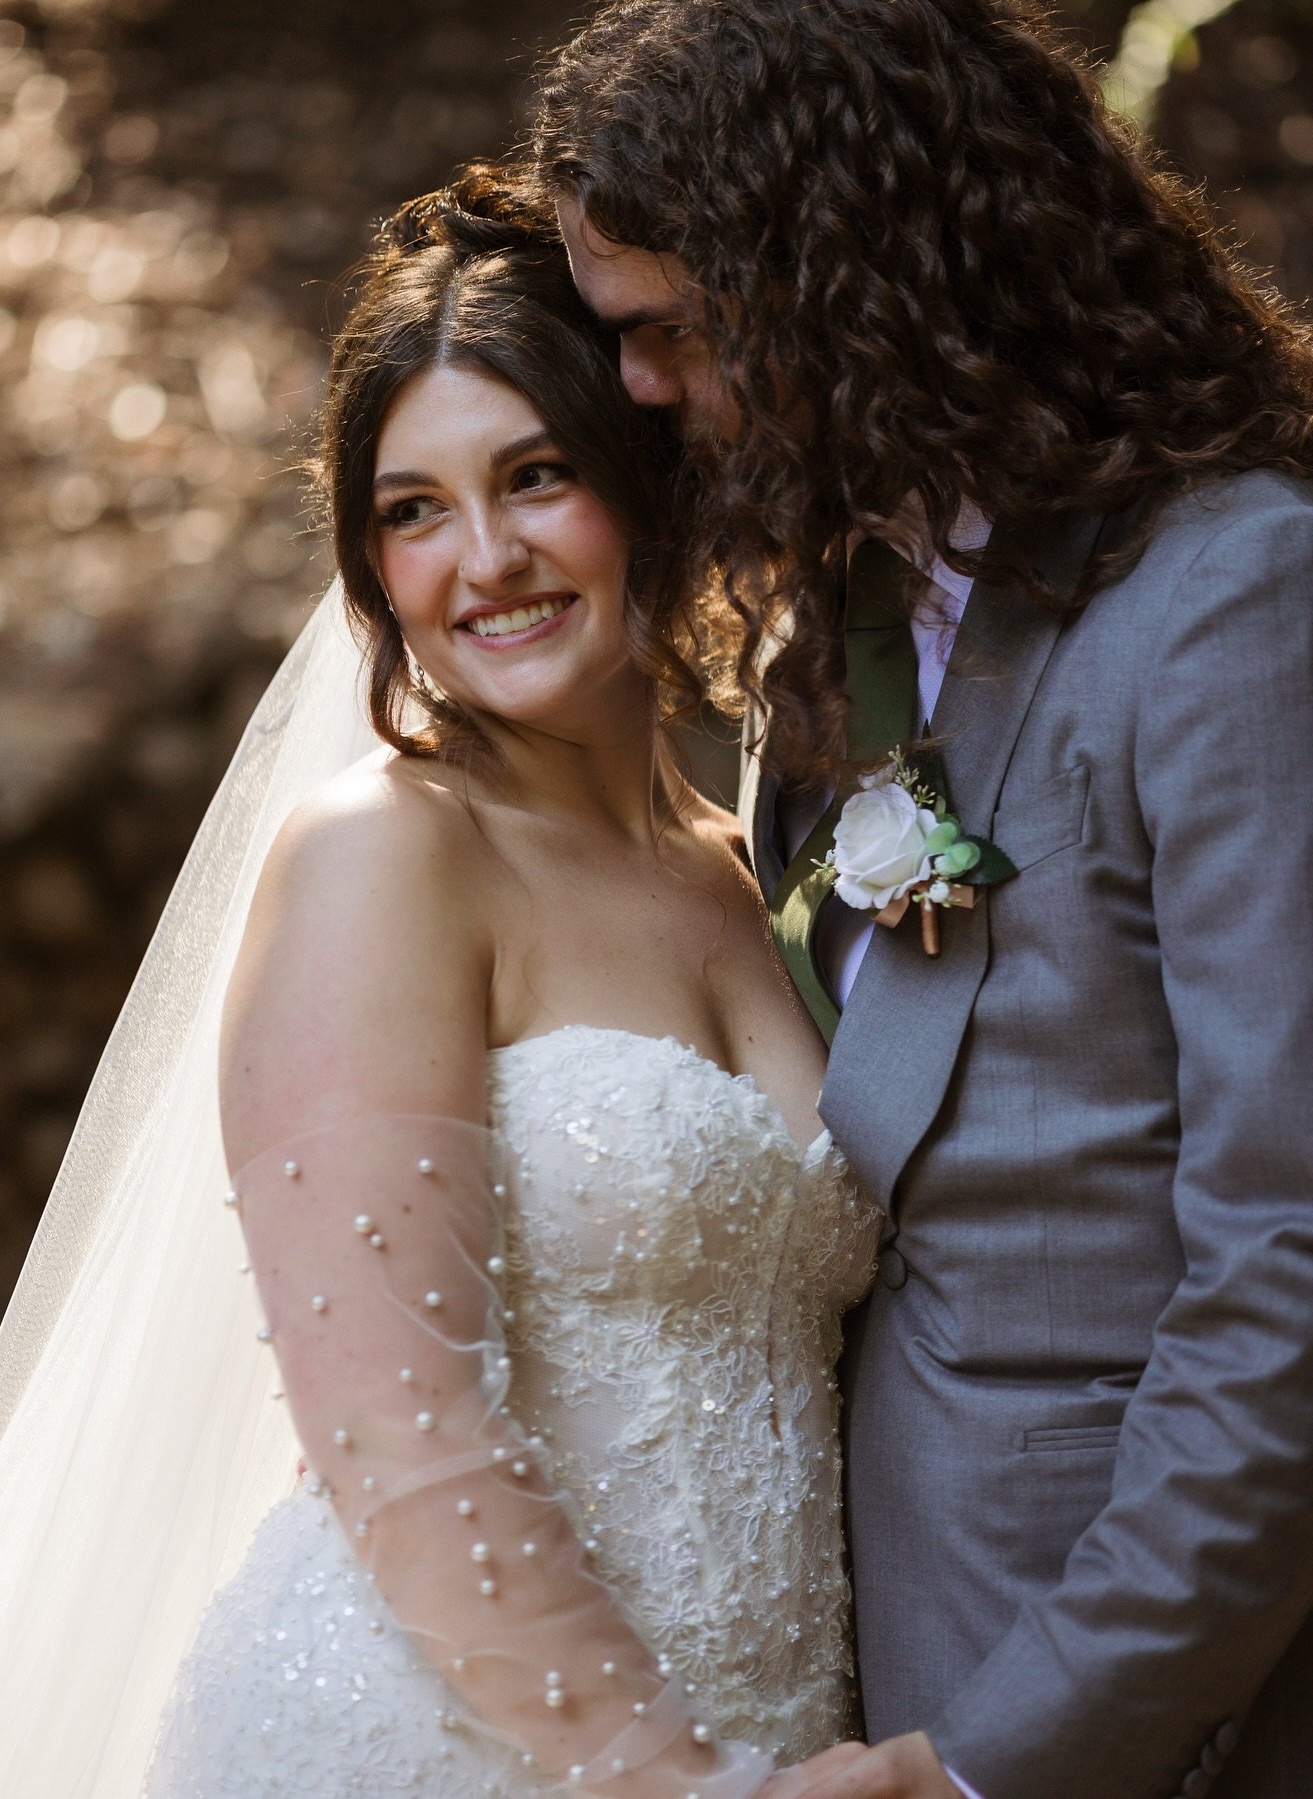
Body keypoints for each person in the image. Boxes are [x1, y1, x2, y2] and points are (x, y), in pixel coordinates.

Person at [0, 166, 881, 1797]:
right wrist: (690, 1781)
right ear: (367, 564)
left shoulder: (744, 858)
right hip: (456, 1751)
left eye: (536, 477)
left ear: (646, 481)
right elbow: (401, 1440)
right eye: (414, 510)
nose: (483, 560)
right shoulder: (386, 859)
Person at [534, 4, 1313, 1799]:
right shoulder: (847, 616)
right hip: (851, 1635)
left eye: (674, 330)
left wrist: (997, 1755)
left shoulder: (1231, 601)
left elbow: (1286, 1270)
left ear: (844, 277)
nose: (639, 389)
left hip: (1127, 1696)